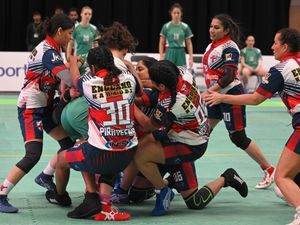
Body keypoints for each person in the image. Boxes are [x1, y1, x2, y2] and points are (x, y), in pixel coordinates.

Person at [112, 59, 249, 213]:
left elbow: (149, 125)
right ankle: (172, 182)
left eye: (149, 78)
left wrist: (127, 102)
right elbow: (156, 94)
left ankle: (226, 178)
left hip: (189, 146)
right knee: (137, 195)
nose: (145, 80)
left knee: (194, 202)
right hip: (176, 136)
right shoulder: (183, 74)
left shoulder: (173, 104)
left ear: (162, 85)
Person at [204, 28, 300, 225]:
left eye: (275, 43)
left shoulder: (281, 70)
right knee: (290, 181)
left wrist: (222, 96)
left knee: (281, 178)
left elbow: (256, 99)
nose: (271, 47)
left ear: (285, 46)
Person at [45, 45, 142, 221]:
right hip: (128, 154)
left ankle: (61, 196)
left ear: (94, 68)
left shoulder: (90, 83)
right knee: (91, 146)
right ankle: (104, 207)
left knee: (62, 159)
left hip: (101, 155)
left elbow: (75, 80)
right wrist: (131, 68)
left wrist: (73, 61)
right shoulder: (129, 79)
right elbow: (139, 89)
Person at [0, 14, 75, 213]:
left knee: (67, 144)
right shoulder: (48, 51)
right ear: (59, 31)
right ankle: (1, 195)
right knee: (33, 154)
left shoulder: (53, 48)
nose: (71, 38)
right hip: (31, 109)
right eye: (69, 33)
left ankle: (46, 176)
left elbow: (59, 77)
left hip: (45, 106)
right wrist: (77, 67)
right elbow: (68, 78)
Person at [201, 14, 275, 189]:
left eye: (217, 27)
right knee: (201, 135)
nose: (212, 30)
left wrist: (207, 92)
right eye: (211, 26)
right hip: (215, 97)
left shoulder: (230, 48)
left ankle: (269, 169)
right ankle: (182, 177)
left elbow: (228, 77)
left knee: (238, 137)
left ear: (226, 30)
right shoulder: (210, 46)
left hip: (230, 95)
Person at [159, 3, 193, 68]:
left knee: (181, 72)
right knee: (169, 72)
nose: (176, 15)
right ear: (171, 13)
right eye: (174, 13)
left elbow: (189, 43)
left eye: (178, 13)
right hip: (169, 51)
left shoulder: (185, 27)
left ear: (181, 14)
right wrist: (161, 55)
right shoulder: (166, 26)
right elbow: (161, 43)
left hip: (181, 52)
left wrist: (191, 57)